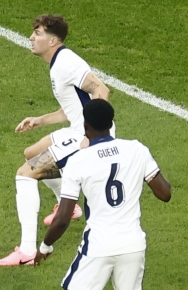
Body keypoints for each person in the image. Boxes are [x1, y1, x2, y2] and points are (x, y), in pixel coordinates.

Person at [0, 14, 112, 266]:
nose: (31, 37)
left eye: (37, 33)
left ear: (53, 40)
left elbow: (101, 91)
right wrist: (40, 119)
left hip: (87, 136)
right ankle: (68, 207)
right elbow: (74, 108)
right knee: (31, 152)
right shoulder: (58, 63)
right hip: (77, 129)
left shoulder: (66, 63)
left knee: (25, 173)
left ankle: (26, 251)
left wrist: (93, 137)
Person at [34, 99, 171, 290]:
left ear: (85, 125)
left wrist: (45, 246)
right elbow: (165, 193)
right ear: (111, 123)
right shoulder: (137, 150)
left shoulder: (78, 161)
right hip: (133, 245)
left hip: (99, 245)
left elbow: (63, 218)